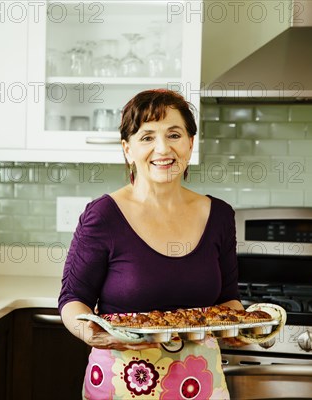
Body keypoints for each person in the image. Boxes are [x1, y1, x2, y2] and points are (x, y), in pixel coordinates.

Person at [58, 88, 243, 399]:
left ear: (190, 143)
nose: (163, 149)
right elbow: (73, 299)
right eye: (147, 137)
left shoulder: (219, 215)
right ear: (127, 149)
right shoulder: (103, 215)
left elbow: (228, 300)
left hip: (200, 383)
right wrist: (86, 331)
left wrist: (243, 329)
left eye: (174, 134)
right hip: (121, 384)